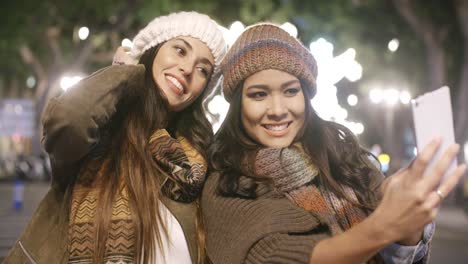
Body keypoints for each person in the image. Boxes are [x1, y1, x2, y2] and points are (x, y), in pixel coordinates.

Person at [202, 23, 466, 264]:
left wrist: (409, 228)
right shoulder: (225, 180)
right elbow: (278, 256)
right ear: (238, 105)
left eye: (291, 91)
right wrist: (383, 226)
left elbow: (399, 257)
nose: (277, 109)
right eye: (259, 95)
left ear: (306, 95)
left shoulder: (348, 159)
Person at [4, 11, 226, 264]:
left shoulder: (195, 163)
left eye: (203, 70)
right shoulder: (102, 131)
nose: (187, 69)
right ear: (153, 51)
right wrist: (126, 75)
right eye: (180, 50)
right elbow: (68, 120)